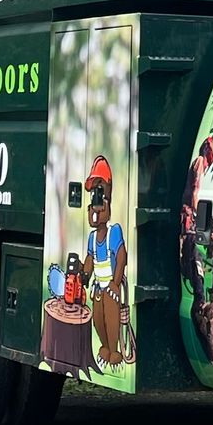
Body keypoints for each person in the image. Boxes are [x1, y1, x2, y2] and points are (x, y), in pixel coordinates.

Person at [83, 157, 130, 366]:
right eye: (93, 201)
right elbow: (90, 259)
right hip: (98, 289)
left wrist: (116, 283)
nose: (95, 208)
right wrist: (83, 275)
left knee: (112, 319)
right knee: (98, 320)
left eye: (100, 199)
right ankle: (104, 345)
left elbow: (121, 257)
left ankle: (114, 349)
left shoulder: (114, 231)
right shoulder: (92, 238)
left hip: (111, 286)